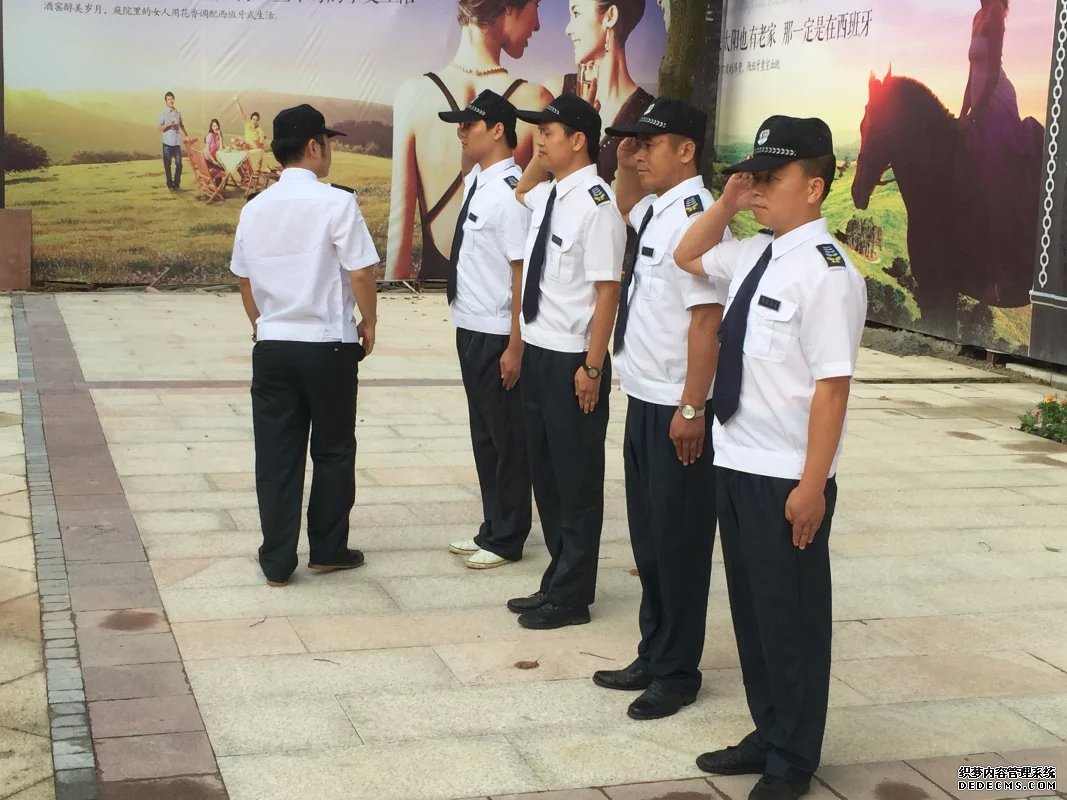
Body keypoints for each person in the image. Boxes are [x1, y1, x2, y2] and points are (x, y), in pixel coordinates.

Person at [674, 116, 866, 800]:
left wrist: (812, 485)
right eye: (751, 175)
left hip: (786, 476)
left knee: (792, 621)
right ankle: (768, 729)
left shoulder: (828, 274)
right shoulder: (756, 252)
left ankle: (792, 757)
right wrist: (728, 202)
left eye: (770, 178)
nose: (756, 189)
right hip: (736, 459)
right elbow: (688, 254)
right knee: (753, 615)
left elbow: (832, 388)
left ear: (812, 187)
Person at [592, 97, 723, 721]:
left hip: (677, 405)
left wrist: (692, 407)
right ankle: (654, 650)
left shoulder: (697, 218)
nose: (639, 154)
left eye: (650, 144)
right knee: (648, 537)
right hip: (644, 396)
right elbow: (622, 204)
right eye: (634, 144)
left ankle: (677, 672)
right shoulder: (656, 208)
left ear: (686, 149)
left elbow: (707, 321)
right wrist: (625, 160)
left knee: (679, 543)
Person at [230, 104, 380, 588]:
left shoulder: (254, 207)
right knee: (333, 449)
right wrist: (369, 321)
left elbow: (244, 280)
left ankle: (276, 561)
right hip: (327, 345)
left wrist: (261, 325)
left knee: (276, 455)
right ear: (314, 147)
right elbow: (360, 272)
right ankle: (328, 549)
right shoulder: (337, 203)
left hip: (273, 346)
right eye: (327, 143)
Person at [506, 94, 626, 629]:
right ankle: (558, 577)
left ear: (579, 140)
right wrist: (542, 156)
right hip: (538, 351)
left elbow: (607, 293)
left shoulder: (597, 206)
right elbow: (522, 188)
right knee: (547, 475)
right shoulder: (551, 193)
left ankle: (573, 595)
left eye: (549, 133)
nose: (539, 141)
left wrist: (593, 367)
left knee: (576, 480)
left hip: (573, 360)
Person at [386, 0, 552, 282]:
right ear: (509, 7)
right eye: (536, 5)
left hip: (432, 289)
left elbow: (398, 237)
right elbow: (542, 229)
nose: (536, 25)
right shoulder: (535, 102)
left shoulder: (412, 95)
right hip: (502, 291)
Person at [437, 90, 534, 570]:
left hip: (497, 333)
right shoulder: (480, 179)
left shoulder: (511, 193)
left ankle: (509, 535)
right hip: (470, 326)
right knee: (485, 436)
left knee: (506, 437)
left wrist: (516, 345)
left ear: (498, 130)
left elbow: (521, 274)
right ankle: (492, 525)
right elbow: (467, 164)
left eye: (469, 126)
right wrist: (467, 139)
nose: (460, 133)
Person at [544, 0, 654, 185]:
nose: (568, 29)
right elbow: (528, 188)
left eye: (576, 14)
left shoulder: (647, 116)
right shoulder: (553, 94)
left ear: (610, 16)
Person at [158, 91, 189, 191]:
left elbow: (180, 127)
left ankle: (176, 184)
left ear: (174, 100)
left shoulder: (178, 113)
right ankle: (170, 185)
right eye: (169, 99)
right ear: (166, 101)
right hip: (167, 144)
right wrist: (168, 124)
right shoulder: (163, 113)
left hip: (176, 143)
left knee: (179, 164)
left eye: (172, 99)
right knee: (167, 165)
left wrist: (186, 136)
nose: (171, 101)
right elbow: (159, 128)